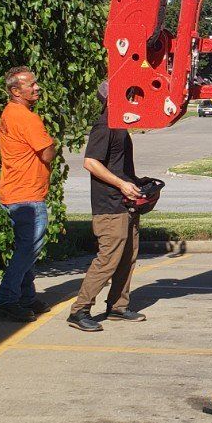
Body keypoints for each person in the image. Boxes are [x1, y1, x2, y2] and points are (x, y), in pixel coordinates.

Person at [68, 81, 148, 332]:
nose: (134, 99)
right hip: (109, 206)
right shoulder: (105, 125)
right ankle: (79, 310)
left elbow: (116, 165)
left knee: (127, 257)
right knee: (108, 259)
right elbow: (91, 162)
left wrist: (137, 183)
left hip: (125, 204)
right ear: (113, 98)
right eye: (130, 94)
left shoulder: (120, 125)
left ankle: (117, 307)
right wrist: (122, 184)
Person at [0, 66, 57, 322]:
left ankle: (26, 296)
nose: (37, 87)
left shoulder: (10, 112)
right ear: (15, 91)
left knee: (26, 247)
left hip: (16, 192)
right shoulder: (25, 117)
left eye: (35, 83)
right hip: (26, 195)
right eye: (31, 85)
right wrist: (52, 144)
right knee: (28, 249)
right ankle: (6, 300)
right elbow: (47, 152)